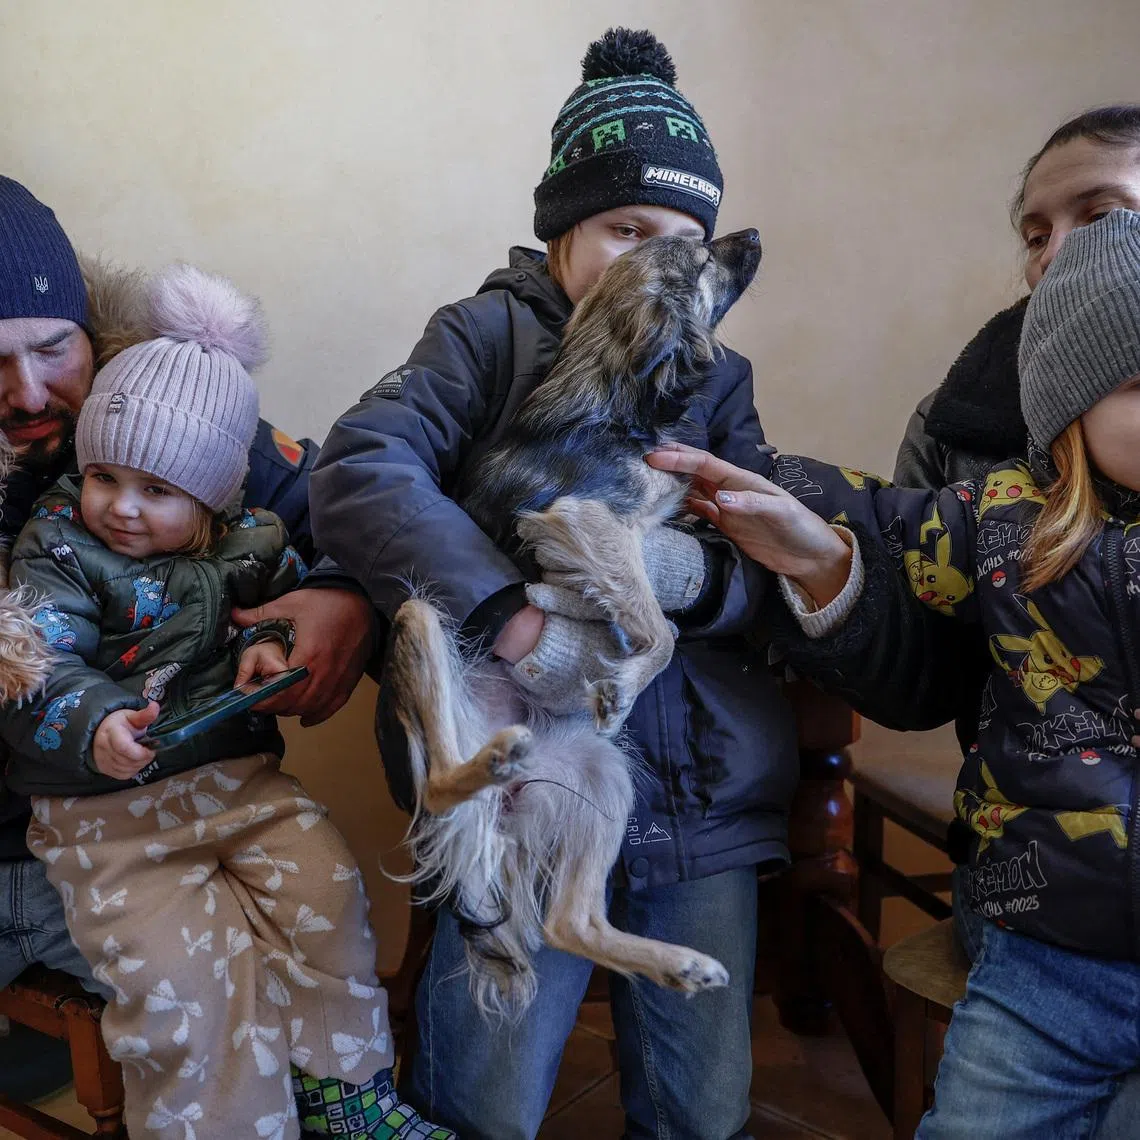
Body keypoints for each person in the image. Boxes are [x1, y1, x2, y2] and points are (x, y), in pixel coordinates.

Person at [310, 27, 805, 1140]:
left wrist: (683, 572)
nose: (650, 263)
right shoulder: (484, 335)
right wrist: (510, 616)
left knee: (702, 1107)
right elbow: (358, 470)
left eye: (680, 240)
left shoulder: (720, 383)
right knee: (481, 1097)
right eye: (626, 230)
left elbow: (760, 557)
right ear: (564, 231)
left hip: (699, 801)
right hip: (517, 773)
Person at [649, 208, 1140, 1137]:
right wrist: (796, 525)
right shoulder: (1005, 521)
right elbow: (876, 519)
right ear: (1072, 409)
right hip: (1044, 959)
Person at [0, 262, 455, 1140]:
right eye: (105, 480)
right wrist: (91, 720)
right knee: (196, 988)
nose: (25, 391)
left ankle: (347, 1099)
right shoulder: (58, 541)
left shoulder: (195, 434)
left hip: (228, 782)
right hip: (99, 816)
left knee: (325, 888)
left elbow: (331, 519)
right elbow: (39, 659)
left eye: (52, 347)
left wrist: (313, 609)